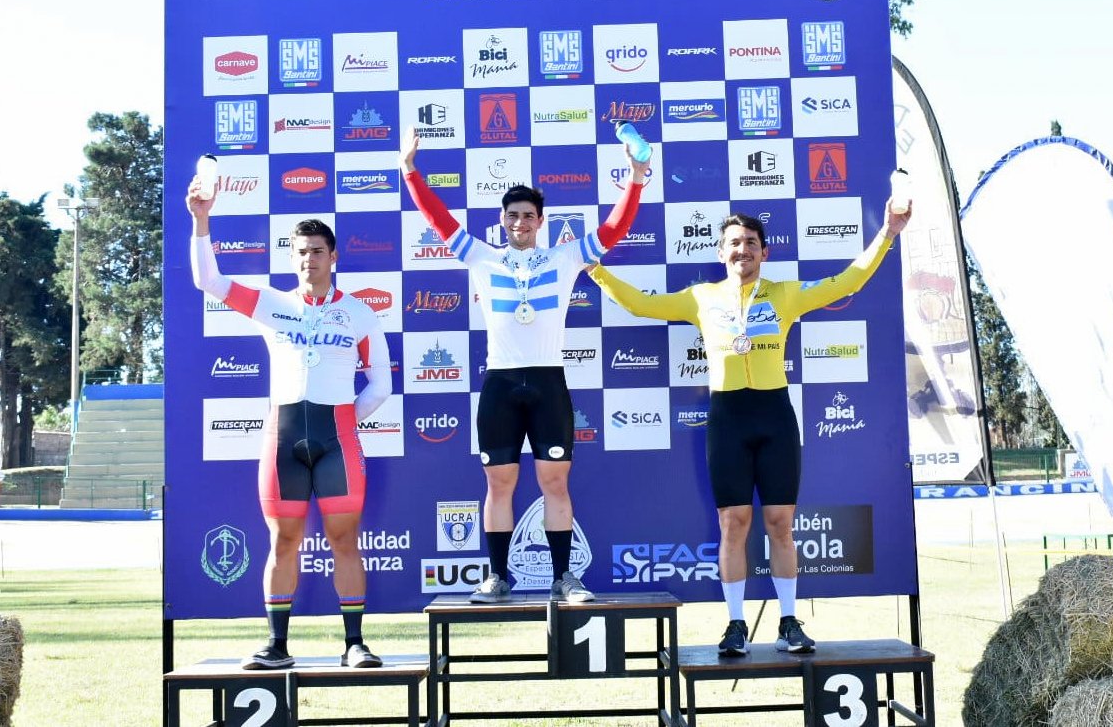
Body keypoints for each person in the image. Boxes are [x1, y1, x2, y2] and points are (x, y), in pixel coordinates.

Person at [588, 199, 911, 654]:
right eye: (735, 243)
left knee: (780, 524)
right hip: (728, 418)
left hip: (774, 415)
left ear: (764, 252)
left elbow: (849, 280)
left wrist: (888, 233)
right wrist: (594, 268)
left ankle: (788, 621)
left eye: (751, 243)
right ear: (721, 252)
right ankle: (735, 624)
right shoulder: (701, 297)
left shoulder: (786, 294)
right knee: (733, 523)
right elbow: (641, 304)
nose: (743, 250)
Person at [400, 127, 648, 603]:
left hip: (548, 382)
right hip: (500, 384)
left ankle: (564, 578)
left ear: (540, 221)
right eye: (512, 215)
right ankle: (497, 577)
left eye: (528, 216)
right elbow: (438, 220)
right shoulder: (481, 257)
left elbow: (614, 229)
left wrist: (636, 178)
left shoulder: (565, 257)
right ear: (502, 220)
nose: (520, 223)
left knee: (555, 482)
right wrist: (410, 170)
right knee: (499, 483)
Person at [187, 179, 392, 670]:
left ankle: (355, 644)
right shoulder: (271, 304)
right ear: (292, 257)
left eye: (317, 251)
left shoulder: (359, 313)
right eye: (301, 252)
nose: (308, 260)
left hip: (337, 443)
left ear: (333, 256)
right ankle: (276, 645)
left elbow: (381, 385)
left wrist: (345, 422)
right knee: (282, 542)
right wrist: (201, 220)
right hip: (282, 441)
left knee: (345, 541)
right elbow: (208, 281)